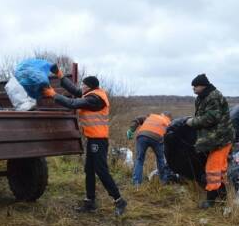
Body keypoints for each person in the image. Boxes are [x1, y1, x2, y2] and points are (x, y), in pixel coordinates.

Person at [42, 64, 127, 216]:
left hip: (99, 141)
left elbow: (72, 103)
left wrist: (53, 94)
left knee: (101, 171)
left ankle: (119, 200)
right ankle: (90, 202)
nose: (81, 86)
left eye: (83, 84)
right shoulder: (91, 94)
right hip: (93, 139)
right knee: (89, 170)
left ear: (89, 87)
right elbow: (75, 91)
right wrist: (61, 76)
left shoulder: (95, 99)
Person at [186, 74, 235, 209]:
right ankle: (223, 195)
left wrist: (192, 122)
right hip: (214, 139)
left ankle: (211, 200)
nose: (193, 89)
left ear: (203, 86)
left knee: (212, 169)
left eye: (195, 86)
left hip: (221, 139)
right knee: (221, 169)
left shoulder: (214, 96)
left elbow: (211, 117)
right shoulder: (202, 98)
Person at [127, 112, 172, 185]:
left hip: (142, 135)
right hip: (157, 138)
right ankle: (164, 181)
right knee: (160, 159)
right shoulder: (169, 122)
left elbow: (138, 119)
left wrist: (131, 130)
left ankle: (136, 183)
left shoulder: (151, 116)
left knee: (139, 159)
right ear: (169, 117)